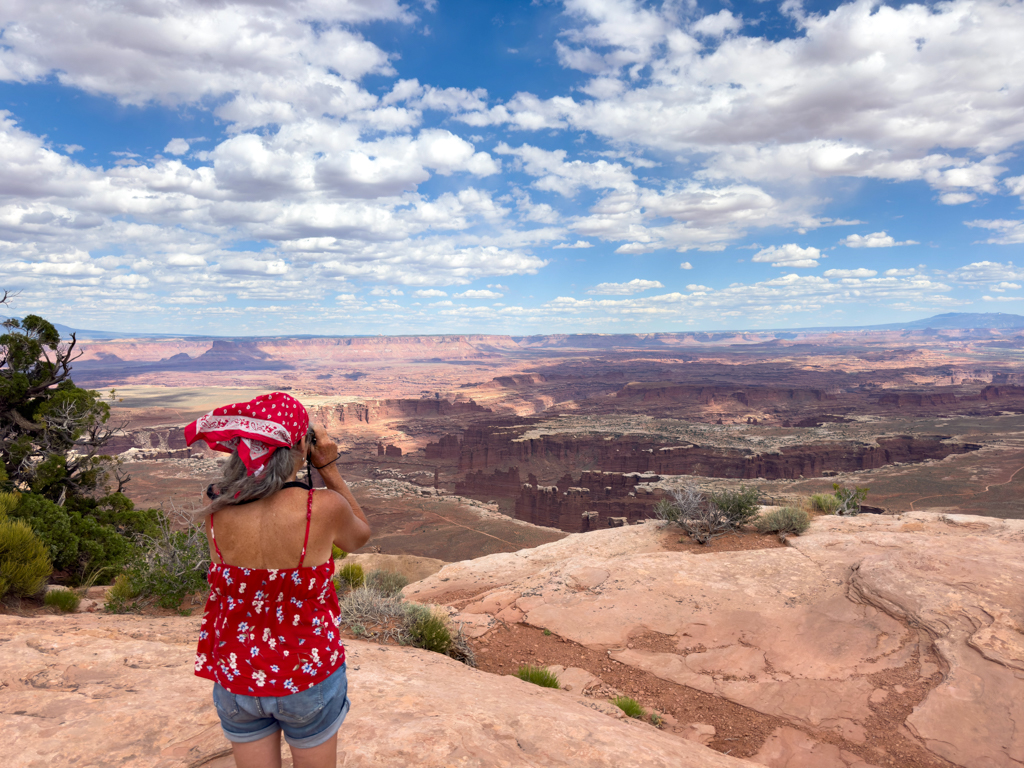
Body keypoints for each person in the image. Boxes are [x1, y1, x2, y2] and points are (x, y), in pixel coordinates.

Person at [185, 392, 371, 768]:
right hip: (305, 672)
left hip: (236, 673)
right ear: (302, 444)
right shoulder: (322, 508)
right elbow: (359, 537)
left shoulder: (215, 506)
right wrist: (329, 467)